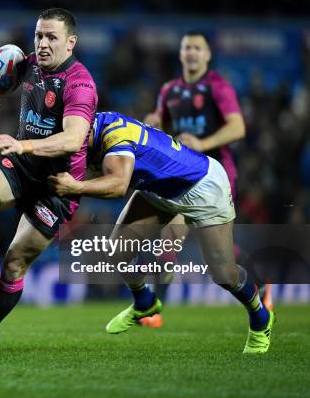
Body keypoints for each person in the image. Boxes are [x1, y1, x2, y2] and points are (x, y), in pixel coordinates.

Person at [0, 8, 98, 358]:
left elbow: (73, 140)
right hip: (21, 166)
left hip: (58, 186)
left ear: (71, 42)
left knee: (13, 264)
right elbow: (0, 76)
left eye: (51, 37)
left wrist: (21, 143)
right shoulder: (28, 63)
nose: (42, 43)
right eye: (39, 35)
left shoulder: (80, 83)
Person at [48, 111, 274, 354]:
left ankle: (260, 319)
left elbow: (118, 185)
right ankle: (145, 302)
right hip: (159, 188)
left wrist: (76, 187)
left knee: (224, 275)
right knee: (117, 251)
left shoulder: (115, 140)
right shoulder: (91, 126)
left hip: (201, 188)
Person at [140, 31, 267, 328]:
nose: (192, 53)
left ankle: (258, 285)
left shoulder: (217, 87)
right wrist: (154, 122)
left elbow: (237, 128)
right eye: (187, 48)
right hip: (182, 176)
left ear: (208, 54)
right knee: (170, 239)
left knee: (221, 257)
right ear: (181, 54)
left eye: (198, 48)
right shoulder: (169, 90)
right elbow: (161, 124)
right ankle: (155, 311)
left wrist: (201, 142)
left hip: (216, 174)